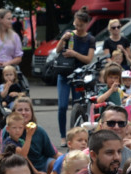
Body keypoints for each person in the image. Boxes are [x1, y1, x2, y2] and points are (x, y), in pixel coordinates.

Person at [53, 8, 96, 138]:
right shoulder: (69, 34)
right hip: (64, 74)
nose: (78, 28)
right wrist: (62, 39)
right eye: (76, 25)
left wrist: (74, 54)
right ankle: (63, 136)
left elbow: (88, 59)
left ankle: (77, 135)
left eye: (81, 25)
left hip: (79, 76)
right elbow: (57, 51)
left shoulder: (90, 39)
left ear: (87, 24)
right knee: (62, 107)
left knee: (78, 106)